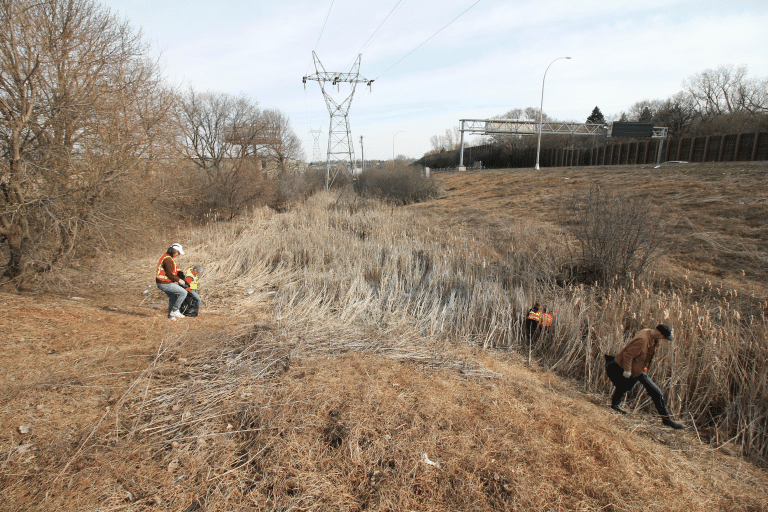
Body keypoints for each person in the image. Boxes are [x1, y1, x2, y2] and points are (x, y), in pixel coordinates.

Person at [604, 324, 684, 429]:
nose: (664, 340)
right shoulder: (643, 340)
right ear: (659, 333)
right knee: (656, 392)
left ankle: (615, 405)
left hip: (638, 368)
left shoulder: (649, 332)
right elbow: (628, 355)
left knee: (625, 386)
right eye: (664, 337)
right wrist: (627, 371)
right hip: (634, 369)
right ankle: (667, 420)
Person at [155, 243, 188, 320]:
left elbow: (168, 270)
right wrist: (179, 280)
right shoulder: (168, 259)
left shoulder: (166, 257)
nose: (178, 255)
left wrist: (177, 271)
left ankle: (171, 317)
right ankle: (175, 310)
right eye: (178, 253)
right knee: (183, 292)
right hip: (164, 282)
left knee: (173, 296)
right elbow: (169, 274)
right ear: (175, 251)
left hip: (162, 282)